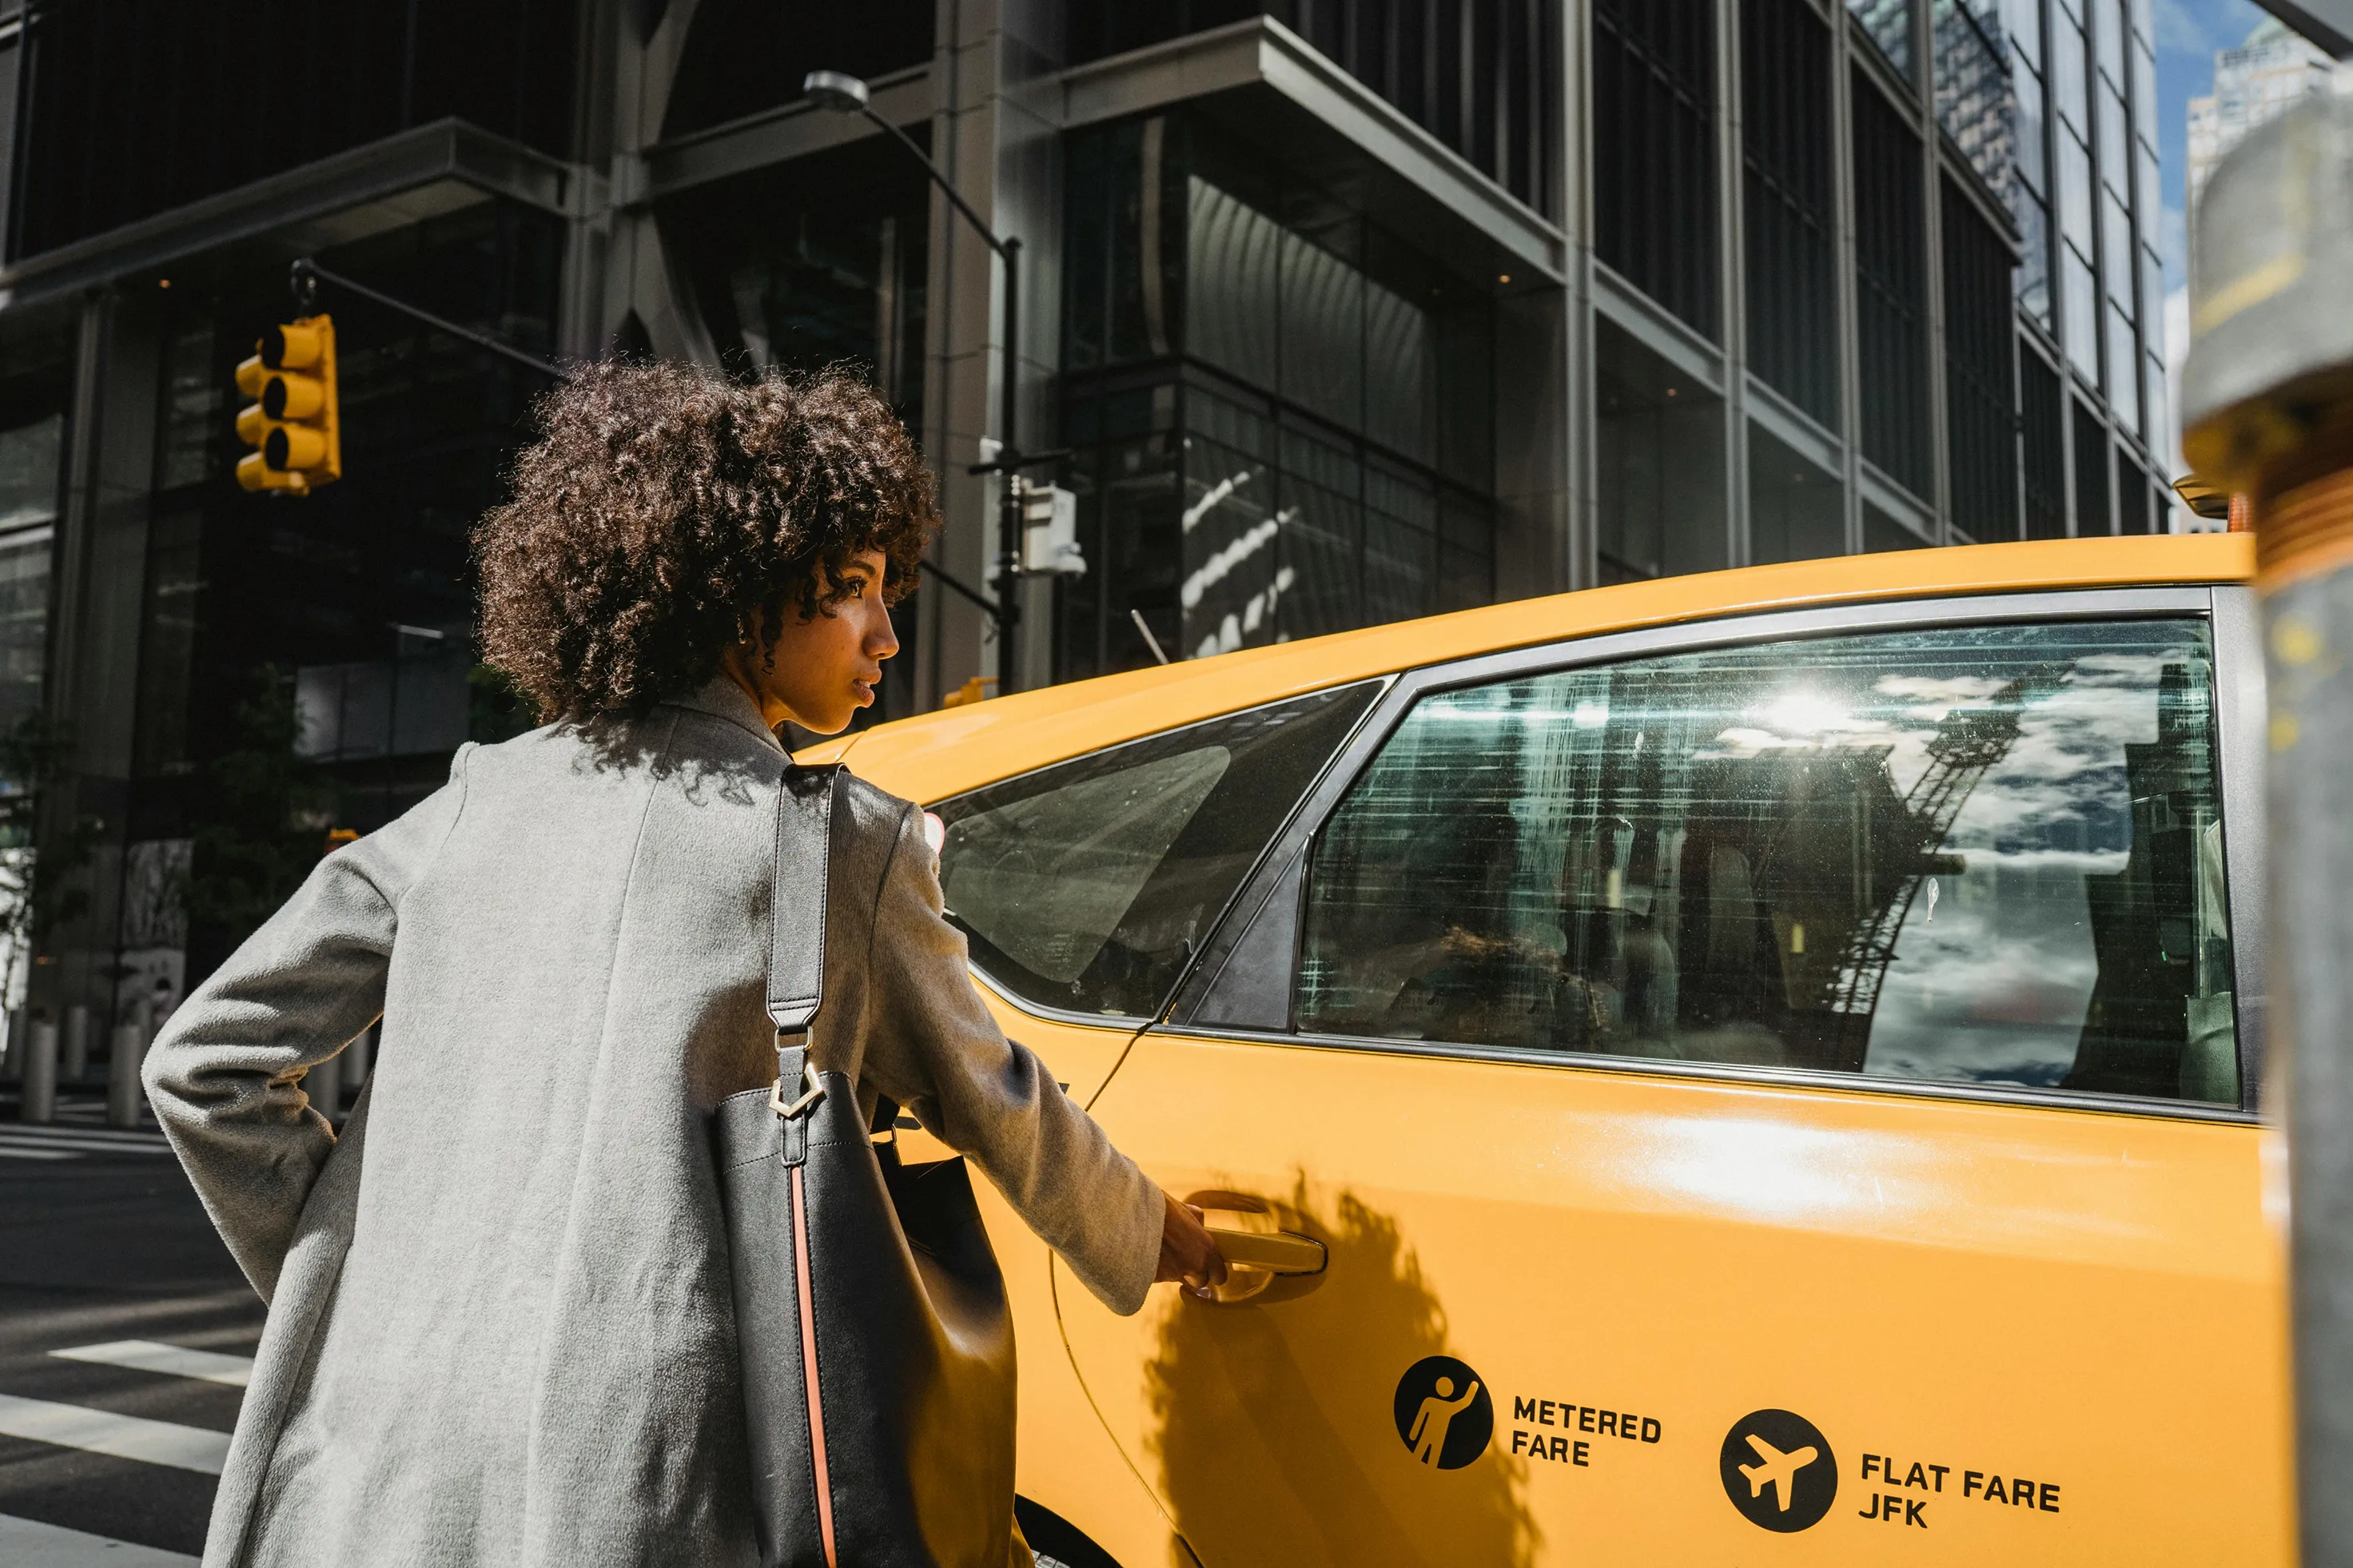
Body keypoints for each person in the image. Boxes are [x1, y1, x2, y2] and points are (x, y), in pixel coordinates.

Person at [144, 362, 1226, 1568]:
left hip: (382, 1468)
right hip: (652, 1478)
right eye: (852, 589)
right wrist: (1152, 1230)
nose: (887, 632)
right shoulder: (842, 843)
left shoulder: (467, 805)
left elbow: (205, 1062)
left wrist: (357, 1267)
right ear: (737, 593)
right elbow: (993, 1092)